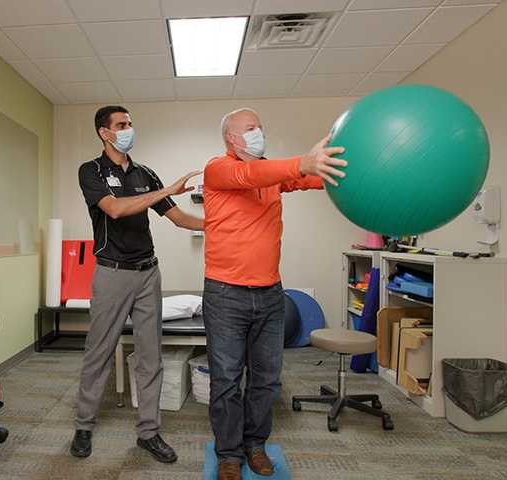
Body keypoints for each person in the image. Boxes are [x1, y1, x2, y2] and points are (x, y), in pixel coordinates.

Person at [203, 108, 347, 480]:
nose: (258, 133)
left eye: (261, 127)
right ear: (232, 138)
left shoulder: (271, 175)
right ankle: (229, 455)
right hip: (225, 295)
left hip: (269, 294)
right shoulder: (219, 169)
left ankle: (255, 446)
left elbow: (310, 179)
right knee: (226, 380)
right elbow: (253, 173)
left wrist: (338, 170)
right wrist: (303, 161)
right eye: (250, 129)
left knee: (267, 379)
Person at [71, 105, 203, 463]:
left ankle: (148, 432)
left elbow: (176, 217)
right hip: (112, 273)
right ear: (104, 132)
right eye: (122, 125)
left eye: (130, 123)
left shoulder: (146, 173)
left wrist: (219, 224)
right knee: (99, 353)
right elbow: (114, 209)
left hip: (148, 274)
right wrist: (165, 191)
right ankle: (84, 425)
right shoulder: (92, 171)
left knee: (150, 355)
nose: (129, 129)